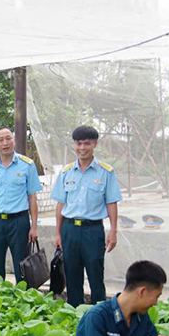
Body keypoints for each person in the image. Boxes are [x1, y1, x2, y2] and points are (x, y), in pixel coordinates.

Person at [51, 125, 122, 307]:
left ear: (95, 144)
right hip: (69, 230)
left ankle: (99, 315)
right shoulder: (66, 172)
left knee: (95, 274)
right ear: (74, 144)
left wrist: (113, 231)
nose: (82, 148)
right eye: (79, 143)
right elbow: (60, 204)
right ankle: (75, 313)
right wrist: (58, 233)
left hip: (93, 230)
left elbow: (111, 203)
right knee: (72, 275)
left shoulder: (105, 172)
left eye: (87, 144)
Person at [70, 260, 169, 336]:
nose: (156, 303)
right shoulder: (96, 316)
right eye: (157, 296)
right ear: (142, 292)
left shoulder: (142, 318)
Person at [0, 127, 41, 283]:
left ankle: (23, 303)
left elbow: (32, 198)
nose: (5, 143)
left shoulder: (27, 165)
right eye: (1, 140)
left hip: (19, 222)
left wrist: (34, 226)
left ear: (14, 140)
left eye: (8, 138)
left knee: (22, 267)